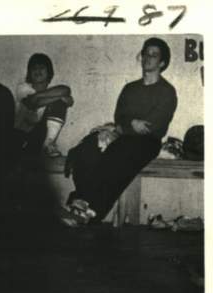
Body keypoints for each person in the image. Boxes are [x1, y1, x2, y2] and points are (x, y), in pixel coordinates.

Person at [62, 38, 177, 226]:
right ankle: (81, 206)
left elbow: (151, 126)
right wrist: (126, 125)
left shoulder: (166, 91)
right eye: (146, 53)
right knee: (87, 147)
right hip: (123, 135)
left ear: (162, 63)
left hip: (148, 142)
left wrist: (124, 127)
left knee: (118, 152)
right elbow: (120, 117)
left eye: (154, 55)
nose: (148, 57)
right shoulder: (130, 88)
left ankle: (88, 207)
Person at [11, 53, 73, 159]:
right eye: (34, 68)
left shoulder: (52, 93)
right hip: (19, 138)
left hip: (38, 139)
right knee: (59, 102)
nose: (37, 71)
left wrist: (39, 96)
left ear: (49, 72)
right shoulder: (23, 88)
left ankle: (48, 144)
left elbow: (66, 89)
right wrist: (60, 97)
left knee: (59, 104)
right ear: (29, 73)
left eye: (42, 68)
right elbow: (33, 103)